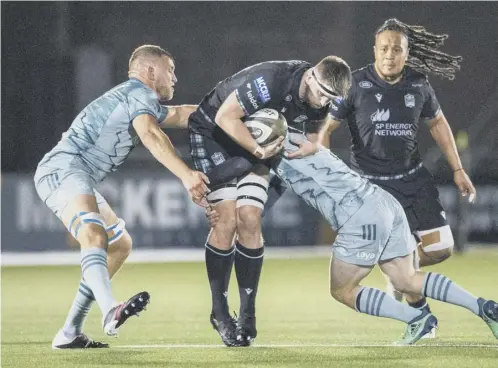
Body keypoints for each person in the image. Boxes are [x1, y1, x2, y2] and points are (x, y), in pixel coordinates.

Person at [34, 45, 210, 349]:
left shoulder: (137, 98)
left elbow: (182, 114)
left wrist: (231, 109)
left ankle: (69, 332)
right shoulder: (139, 94)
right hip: (64, 168)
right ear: (151, 71)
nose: (175, 78)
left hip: (79, 175)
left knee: (119, 245)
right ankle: (109, 310)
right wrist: (186, 174)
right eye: (171, 69)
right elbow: (151, 135)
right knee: (93, 234)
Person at [315, 19, 477, 336]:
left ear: (406, 53)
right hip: (371, 189)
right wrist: (330, 177)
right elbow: (324, 131)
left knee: (442, 248)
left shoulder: (419, 85)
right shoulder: (354, 85)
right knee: (396, 263)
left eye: (397, 49)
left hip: (413, 180)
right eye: (385, 48)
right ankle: (420, 314)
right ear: (375, 50)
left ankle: (399, 273)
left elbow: (439, 125)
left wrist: (458, 169)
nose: (390, 54)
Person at [188, 56, 350, 346]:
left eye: (332, 98)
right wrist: (257, 150)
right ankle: (220, 312)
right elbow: (226, 117)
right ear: (311, 76)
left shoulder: (324, 96)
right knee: (226, 220)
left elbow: (316, 131)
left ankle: (248, 314)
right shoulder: (271, 81)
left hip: (259, 143)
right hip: (215, 132)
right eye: (323, 94)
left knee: (249, 216)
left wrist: (313, 143)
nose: (325, 101)